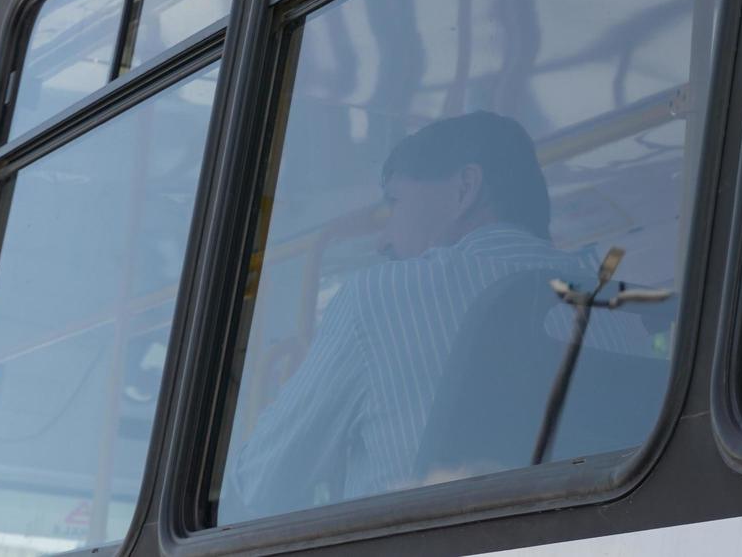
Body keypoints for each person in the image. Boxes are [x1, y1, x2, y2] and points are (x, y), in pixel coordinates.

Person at [224, 111, 598, 520]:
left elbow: (262, 484)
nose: (382, 241)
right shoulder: (618, 306)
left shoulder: (381, 296)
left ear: (465, 188)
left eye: (395, 203)